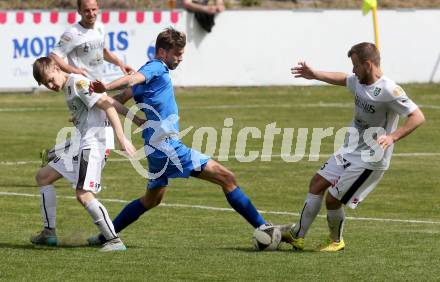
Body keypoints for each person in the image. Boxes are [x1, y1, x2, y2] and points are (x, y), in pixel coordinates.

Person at [87, 27, 267, 245]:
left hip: (155, 148)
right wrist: (104, 85)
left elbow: (120, 98)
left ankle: (104, 236)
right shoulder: (156, 67)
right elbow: (132, 80)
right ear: (163, 52)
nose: (180, 59)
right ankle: (264, 228)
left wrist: (93, 110)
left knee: (151, 200)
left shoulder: (149, 72)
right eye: (178, 54)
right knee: (226, 177)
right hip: (167, 147)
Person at [282, 42, 425, 252]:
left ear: (368, 64)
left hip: (370, 159)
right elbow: (343, 78)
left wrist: (393, 137)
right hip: (349, 150)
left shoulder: (389, 90)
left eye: (356, 65)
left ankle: (336, 241)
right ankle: (298, 236)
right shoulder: (358, 81)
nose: (353, 70)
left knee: (332, 199)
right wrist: (314, 74)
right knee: (316, 184)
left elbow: (418, 116)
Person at [31, 56, 139, 252]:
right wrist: (137, 119)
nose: (50, 85)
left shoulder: (78, 83)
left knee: (83, 194)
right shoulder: (69, 87)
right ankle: (49, 232)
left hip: (94, 144)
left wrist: (122, 137)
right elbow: (106, 102)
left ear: (56, 68)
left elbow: (107, 104)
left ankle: (114, 240)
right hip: (83, 142)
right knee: (43, 176)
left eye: (50, 79)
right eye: (45, 83)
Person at [41, 0, 135, 166]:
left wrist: (120, 63)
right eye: (86, 11)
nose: (91, 14)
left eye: (93, 10)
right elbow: (54, 56)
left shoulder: (99, 27)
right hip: (83, 87)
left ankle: (53, 155)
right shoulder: (72, 33)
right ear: (78, 10)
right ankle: (80, 177)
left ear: (98, 8)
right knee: (102, 130)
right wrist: (73, 70)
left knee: (97, 129)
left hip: (98, 85)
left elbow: (103, 51)